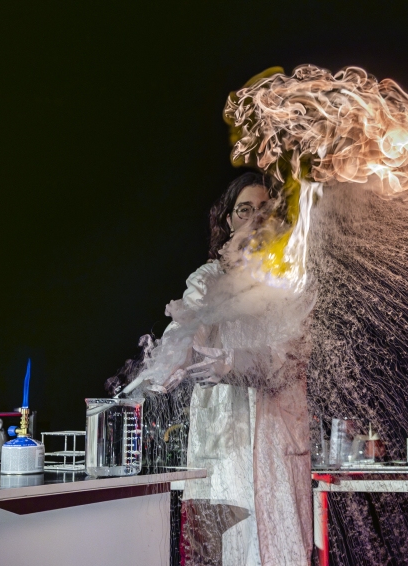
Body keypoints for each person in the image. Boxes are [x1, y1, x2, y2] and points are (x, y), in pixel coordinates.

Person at [131, 171, 314, 565]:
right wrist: (164, 366)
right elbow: (181, 334)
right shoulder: (208, 278)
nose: (253, 219)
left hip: (276, 447)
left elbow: (284, 361)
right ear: (228, 221)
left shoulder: (290, 281)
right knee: (224, 555)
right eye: (243, 210)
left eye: (263, 210)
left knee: (281, 553)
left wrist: (233, 363)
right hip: (221, 450)